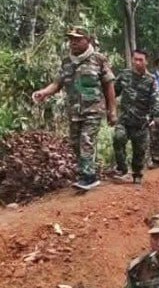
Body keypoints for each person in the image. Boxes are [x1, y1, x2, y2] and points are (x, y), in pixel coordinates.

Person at [31, 26, 117, 191]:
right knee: (75, 143)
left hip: (93, 110)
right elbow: (57, 83)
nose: (73, 43)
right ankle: (88, 171)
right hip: (74, 112)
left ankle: (89, 177)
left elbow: (109, 85)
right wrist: (44, 92)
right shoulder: (67, 62)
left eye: (78, 39)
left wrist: (112, 111)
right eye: (71, 39)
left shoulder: (98, 59)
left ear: (88, 40)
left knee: (86, 140)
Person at [113, 49, 159, 184]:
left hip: (141, 122)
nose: (137, 62)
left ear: (146, 62)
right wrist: (109, 108)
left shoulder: (151, 80)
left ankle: (137, 174)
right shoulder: (124, 75)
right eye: (135, 59)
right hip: (124, 119)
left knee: (139, 151)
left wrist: (155, 117)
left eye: (140, 60)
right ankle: (122, 169)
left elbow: (155, 100)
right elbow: (113, 92)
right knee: (118, 138)